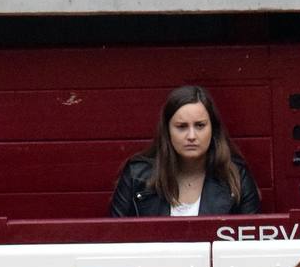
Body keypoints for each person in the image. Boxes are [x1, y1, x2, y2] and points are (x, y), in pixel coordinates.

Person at [109, 85, 261, 216]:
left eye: (200, 125)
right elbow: (114, 240)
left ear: (213, 129)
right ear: (167, 131)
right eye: (182, 127)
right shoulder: (136, 176)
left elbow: (251, 245)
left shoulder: (235, 176)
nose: (192, 136)